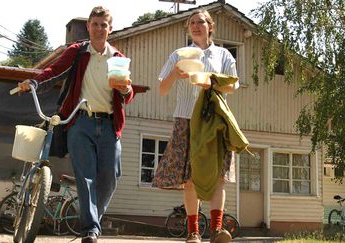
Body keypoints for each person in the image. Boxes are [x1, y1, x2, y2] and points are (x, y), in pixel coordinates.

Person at [18, 6, 134, 243]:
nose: (99, 29)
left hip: (110, 125)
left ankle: (92, 221)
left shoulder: (118, 59)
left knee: (110, 176)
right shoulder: (78, 52)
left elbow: (126, 93)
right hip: (80, 122)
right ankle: (90, 230)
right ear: (88, 27)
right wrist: (34, 81)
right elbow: (55, 71)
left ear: (110, 29)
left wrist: (127, 89)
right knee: (86, 176)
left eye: (104, 25)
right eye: (95, 24)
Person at [153, 9, 240, 243]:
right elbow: (162, 88)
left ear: (210, 26)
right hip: (186, 119)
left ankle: (217, 230)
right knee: (190, 179)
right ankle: (193, 232)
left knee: (218, 177)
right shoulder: (179, 54)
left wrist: (211, 81)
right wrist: (175, 73)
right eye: (191, 23)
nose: (195, 25)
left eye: (200, 21)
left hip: (215, 120)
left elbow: (233, 86)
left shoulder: (223, 55)